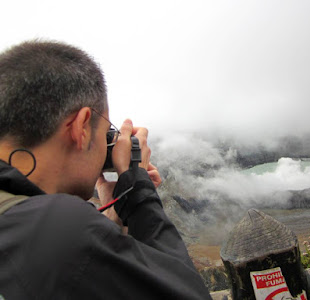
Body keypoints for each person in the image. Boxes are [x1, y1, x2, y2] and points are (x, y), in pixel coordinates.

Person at [0, 40, 212, 299]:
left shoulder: (22, 225)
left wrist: (108, 229)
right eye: (105, 133)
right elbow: (188, 293)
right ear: (81, 126)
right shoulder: (58, 229)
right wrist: (137, 191)